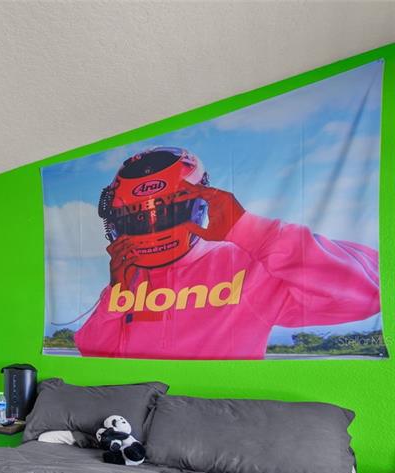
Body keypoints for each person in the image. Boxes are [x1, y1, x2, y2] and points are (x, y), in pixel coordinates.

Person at [74, 146, 381, 359]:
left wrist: (248, 229)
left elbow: (373, 292)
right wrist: (117, 293)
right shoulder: (132, 277)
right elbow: (93, 350)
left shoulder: (247, 265)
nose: (151, 227)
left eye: (165, 213)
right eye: (138, 218)